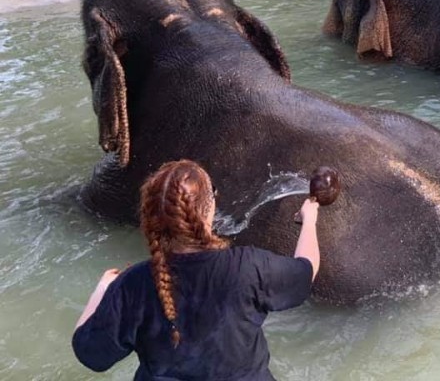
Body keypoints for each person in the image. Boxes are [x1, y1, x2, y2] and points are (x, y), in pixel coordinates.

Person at [72, 159, 320, 380]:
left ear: (151, 217)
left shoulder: (132, 285)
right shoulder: (247, 267)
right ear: (209, 208)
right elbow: (306, 270)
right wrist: (309, 220)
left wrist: (103, 289)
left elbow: (90, 354)